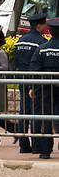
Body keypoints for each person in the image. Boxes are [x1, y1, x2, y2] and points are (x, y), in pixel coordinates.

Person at [13, 14, 48, 153]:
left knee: (24, 112)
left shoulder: (20, 41)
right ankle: (36, 145)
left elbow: (15, 59)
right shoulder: (41, 42)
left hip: (22, 79)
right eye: (44, 25)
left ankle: (23, 144)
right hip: (35, 81)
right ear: (39, 25)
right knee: (36, 112)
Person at [29, 18, 59, 159]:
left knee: (45, 117)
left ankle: (45, 150)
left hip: (45, 88)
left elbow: (35, 70)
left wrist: (32, 87)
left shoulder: (42, 49)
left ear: (50, 31)